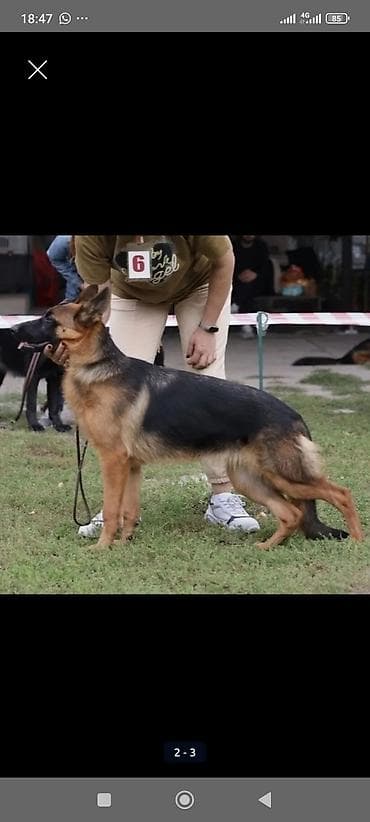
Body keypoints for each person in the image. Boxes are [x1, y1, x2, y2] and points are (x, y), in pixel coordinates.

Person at [47, 234, 260, 539]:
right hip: (132, 294)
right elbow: (97, 299)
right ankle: (118, 508)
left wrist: (208, 328)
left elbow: (225, 260)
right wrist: (78, 344)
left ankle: (222, 495)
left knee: (209, 377)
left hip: (198, 283)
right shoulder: (90, 238)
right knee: (115, 383)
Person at [231, 235, 274, 338]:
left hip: (258, 282)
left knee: (248, 288)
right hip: (237, 281)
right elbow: (230, 263)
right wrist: (238, 275)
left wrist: (255, 274)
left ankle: (236, 305)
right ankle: (246, 325)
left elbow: (266, 265)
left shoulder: (261, 246)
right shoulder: (234, 246)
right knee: (245, 291)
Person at [47, 235, 83, 302]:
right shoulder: (63, 240)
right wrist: (77, 282)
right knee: (73, 297)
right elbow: (53, 257)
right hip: (73, 267)